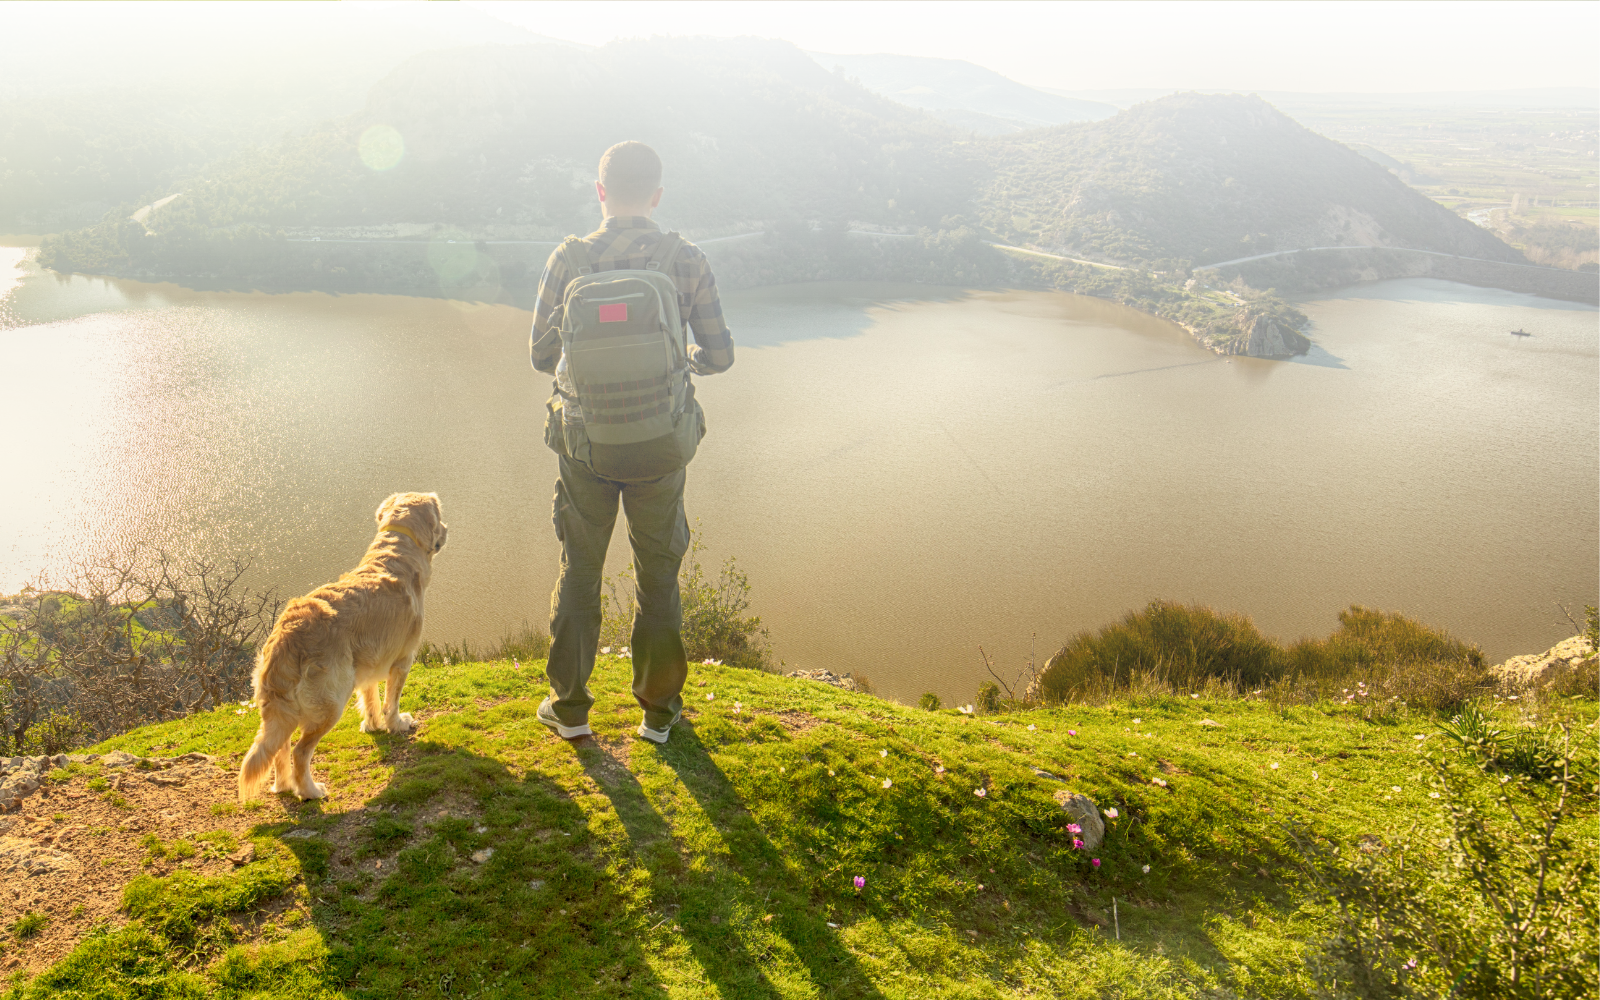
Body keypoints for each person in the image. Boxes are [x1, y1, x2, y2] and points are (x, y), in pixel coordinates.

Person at [529, 141, 735, 744]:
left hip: (586, 446)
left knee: (580, 571)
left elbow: (542, 356)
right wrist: (684, 358)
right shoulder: (686, 259)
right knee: (658, 576)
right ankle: (658, 715)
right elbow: (720, 356)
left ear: (599, 191)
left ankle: (569, 709)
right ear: (658, 194)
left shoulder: (567, 259)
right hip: (660, 446)